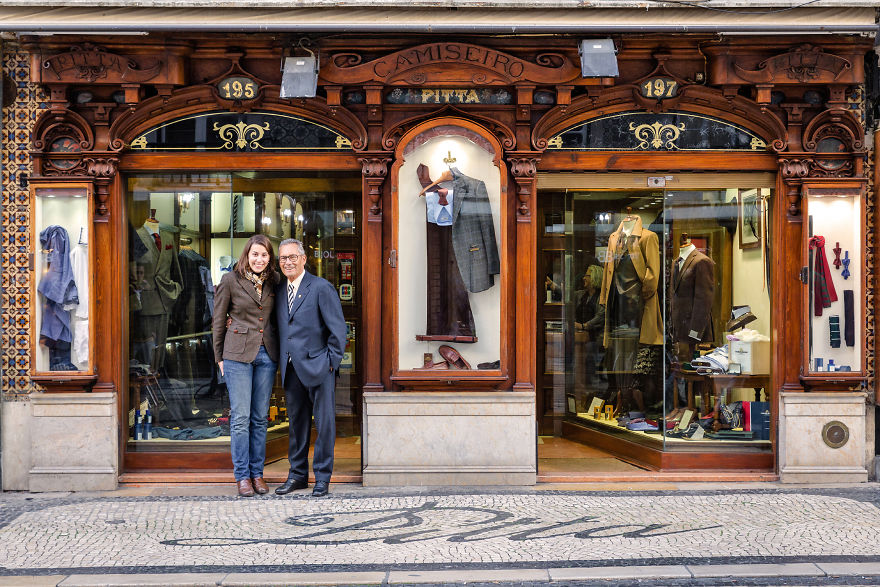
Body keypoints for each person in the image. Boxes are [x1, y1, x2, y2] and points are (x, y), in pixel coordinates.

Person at [274, 238, 347, 497]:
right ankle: (297, 475)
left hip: (319, 367)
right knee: (297, 424)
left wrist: (330, 363)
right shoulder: (280, 291)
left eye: (293, 257)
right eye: (283, 258)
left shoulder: (320, 287)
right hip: (291, 368)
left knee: (324, 424)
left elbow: (339, 331)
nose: (288, 262)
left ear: (304, 259)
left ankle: (323, 477)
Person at [212, 234, 280, 497]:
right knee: (240, 418)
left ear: (269, 258)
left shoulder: (275, 281)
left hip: (267, 355)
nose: (259, 259)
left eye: (264, 255)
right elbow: (218, 320)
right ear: (247, 255)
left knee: (260, 418)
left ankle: (257, 473)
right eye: (255, 254)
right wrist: (219, 357)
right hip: (236, 355)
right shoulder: (230, 280)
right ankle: (242, 476)